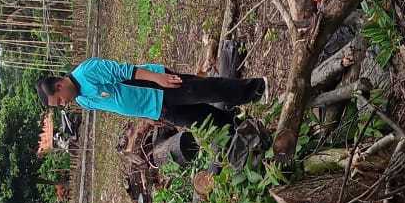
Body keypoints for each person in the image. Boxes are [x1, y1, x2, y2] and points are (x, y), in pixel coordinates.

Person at [35, 59, 267, 132]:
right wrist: (144, 117)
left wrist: (159, 78)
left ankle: (256, 89)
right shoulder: (82, 101)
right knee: (206, 121)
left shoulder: (87, 71)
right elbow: (116, 105)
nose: (64, 105)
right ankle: (247, 128)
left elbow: (125, 71)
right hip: (156, 109)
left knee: (206, 89)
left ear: (58, 86)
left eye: (60, 101)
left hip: (158, 88)